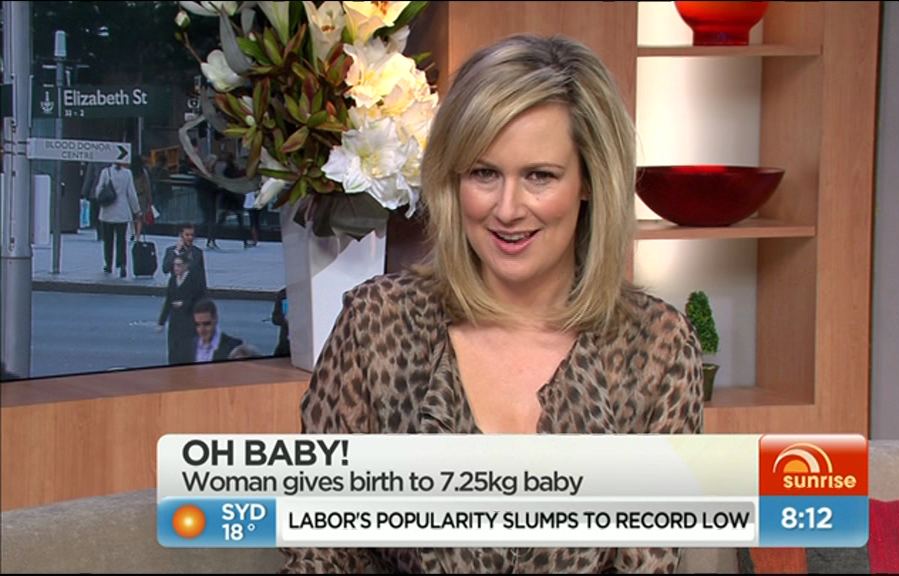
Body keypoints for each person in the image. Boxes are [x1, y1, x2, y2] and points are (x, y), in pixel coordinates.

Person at [282, 35, 704, 573]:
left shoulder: (656, 348)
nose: (507, 209)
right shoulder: (376, 324)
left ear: (590, 181)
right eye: (484, 173)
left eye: (539, 176)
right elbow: (321, 550)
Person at [157, 256, 207, 365]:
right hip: (175, 321)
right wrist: (161, 322)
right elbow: (168, 301)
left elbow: (200, 299)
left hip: (189, 320)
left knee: (186, 350)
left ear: (186, 266)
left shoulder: (194, 280)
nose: (176, 268)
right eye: (175, 265)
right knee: (173, 349)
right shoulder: (173, 280)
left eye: (179, 265)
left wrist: (184, 304)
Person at [95, 160, 142, 278]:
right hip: (122, 212)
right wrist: (136, 210)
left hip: (107, 212)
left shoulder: (105, 172)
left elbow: (98, 190)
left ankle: (108, 264)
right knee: (121, 240)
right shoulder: (127, 173)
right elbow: (131, 193)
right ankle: (122, 265)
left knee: (108, 240)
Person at [191, 298, 243, 362]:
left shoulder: (234, 347)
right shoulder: (191, 345)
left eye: (206, 324)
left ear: (216, 319)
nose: (201, 330)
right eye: (197, 325)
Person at [162, 223, 207, 293]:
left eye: (192, 235)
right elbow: (165, 269)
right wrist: (176, 252)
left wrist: (203, 291)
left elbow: (201, 274)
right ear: (181, 235)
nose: (190, 238)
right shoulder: (171, 251)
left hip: (193, 291)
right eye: (187, 235)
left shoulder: (198, 252)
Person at [271, 287, 290, 357]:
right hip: (285, 344)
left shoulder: (312, 292)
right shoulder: (283, 294)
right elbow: (275, 319)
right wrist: (285, 319)